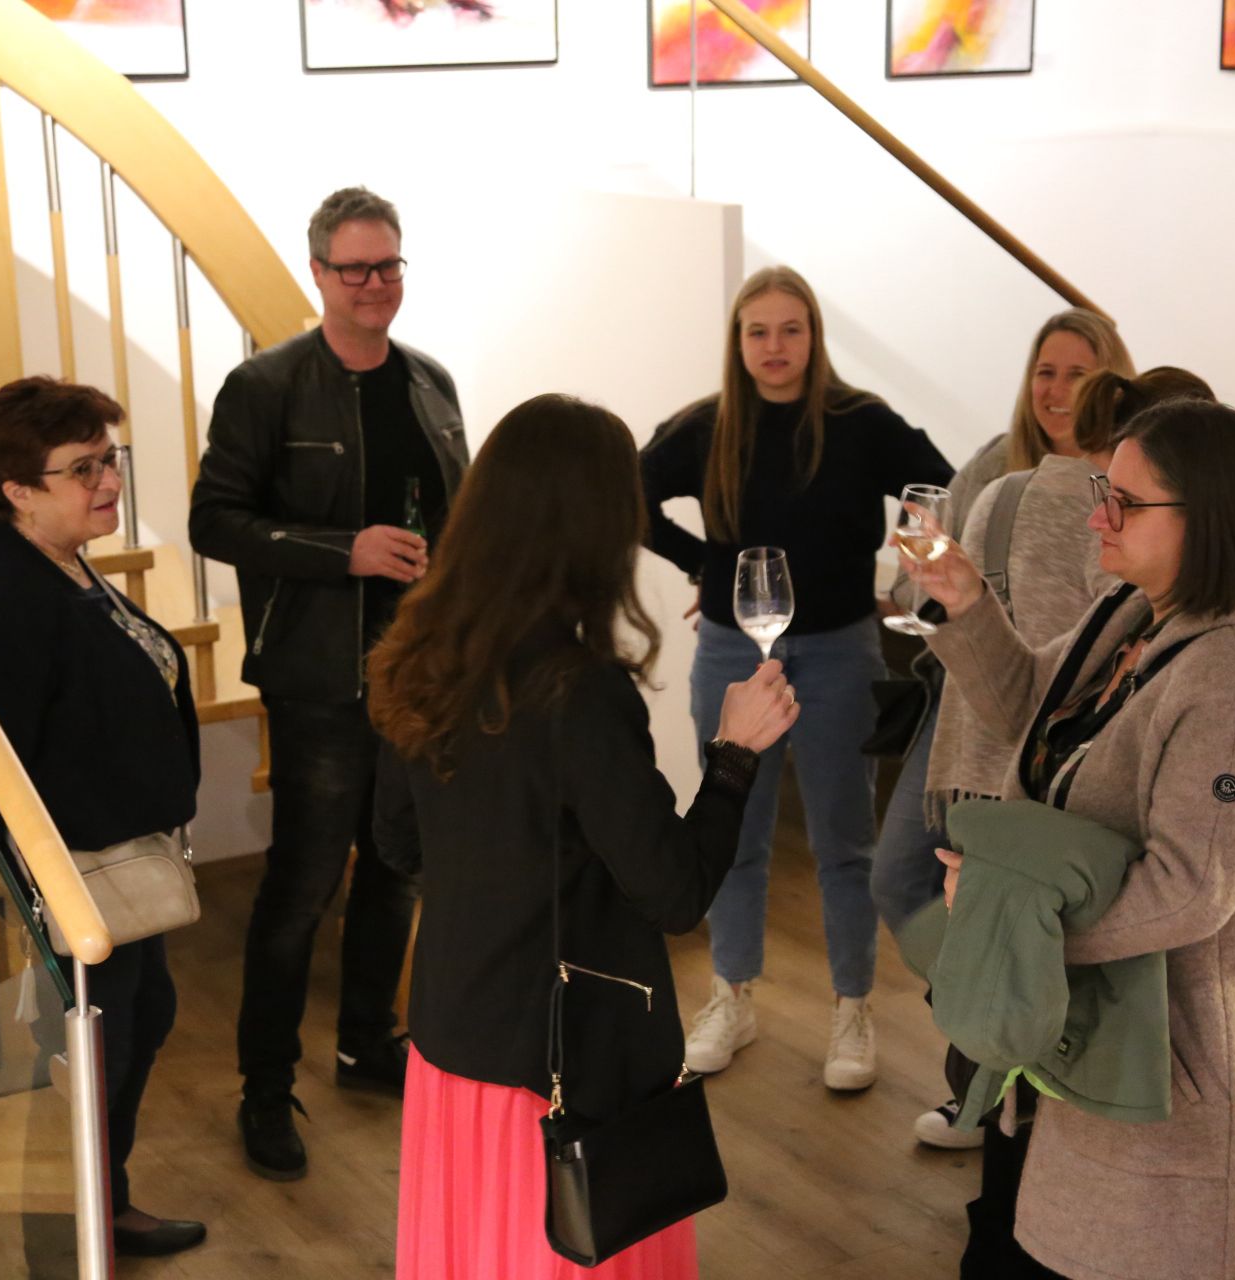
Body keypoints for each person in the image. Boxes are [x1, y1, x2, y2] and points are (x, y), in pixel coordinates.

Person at [368, 394, 799, 1279]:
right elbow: (673, 892)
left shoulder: (420, 651)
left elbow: (400, 844)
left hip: (455, 1047)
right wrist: (734, 756)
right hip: (561, 1068)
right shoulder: (578, 690)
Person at [905, 397, 1235, 1279]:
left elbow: (1191, 888)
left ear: (1207, 517)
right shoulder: (1140, 610)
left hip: (1171, 1057)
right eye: (1106, 491)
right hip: (1088, 1022)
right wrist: (965, 600)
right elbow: (1031, 710)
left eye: (1126, 503)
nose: (1098, 517)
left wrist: (1007, 921)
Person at [188, 186, 468, 1181]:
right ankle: (266, 1089)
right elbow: (213, 520)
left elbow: (457, 515)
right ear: (318, 272)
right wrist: (341, 549)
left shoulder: (430, 381)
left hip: (416, 671)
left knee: (396, 867)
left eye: (389, 265)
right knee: (303, 885)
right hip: (315, 678)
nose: (375, 284)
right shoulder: (265, 386)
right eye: (355, 268)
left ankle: (365, 1042)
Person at [640, 265, 952, 1090]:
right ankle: (731, 996)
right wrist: (705, 567)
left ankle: (853, 1008)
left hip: (841, 652)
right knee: (732, 832)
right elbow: (629, 492)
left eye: (790, 329)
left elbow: (944, 489)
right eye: (758, 331)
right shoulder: (706, 426)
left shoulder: (861, 422)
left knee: (844, 843)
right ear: (737, 342)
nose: (774, 346)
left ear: (813, 337)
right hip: (731, 651)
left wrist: (911, 572)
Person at [0, 377, 205, 1259]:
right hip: (74, 869)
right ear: (19, 489)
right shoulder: (7, 590)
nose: (109, 481)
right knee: (96, 1050)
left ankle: (105, 1205)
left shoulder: (57, 559)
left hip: (120, 854)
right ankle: (68, 1242)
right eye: (83, 467)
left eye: (110, 459)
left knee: (140, 1022)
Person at [866, 308, 1130, 1148]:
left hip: (1053, 725)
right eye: (1045, 371)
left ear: (1112, 383)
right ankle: (987, 1057)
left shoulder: (1122, 488)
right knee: (905, 877)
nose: (1057, 389)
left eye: (1078, 373)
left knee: (1004, 905)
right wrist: (924, 591)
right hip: (961, 708)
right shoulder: (993, 463)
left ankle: (992, 1088)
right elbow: (919, 559)